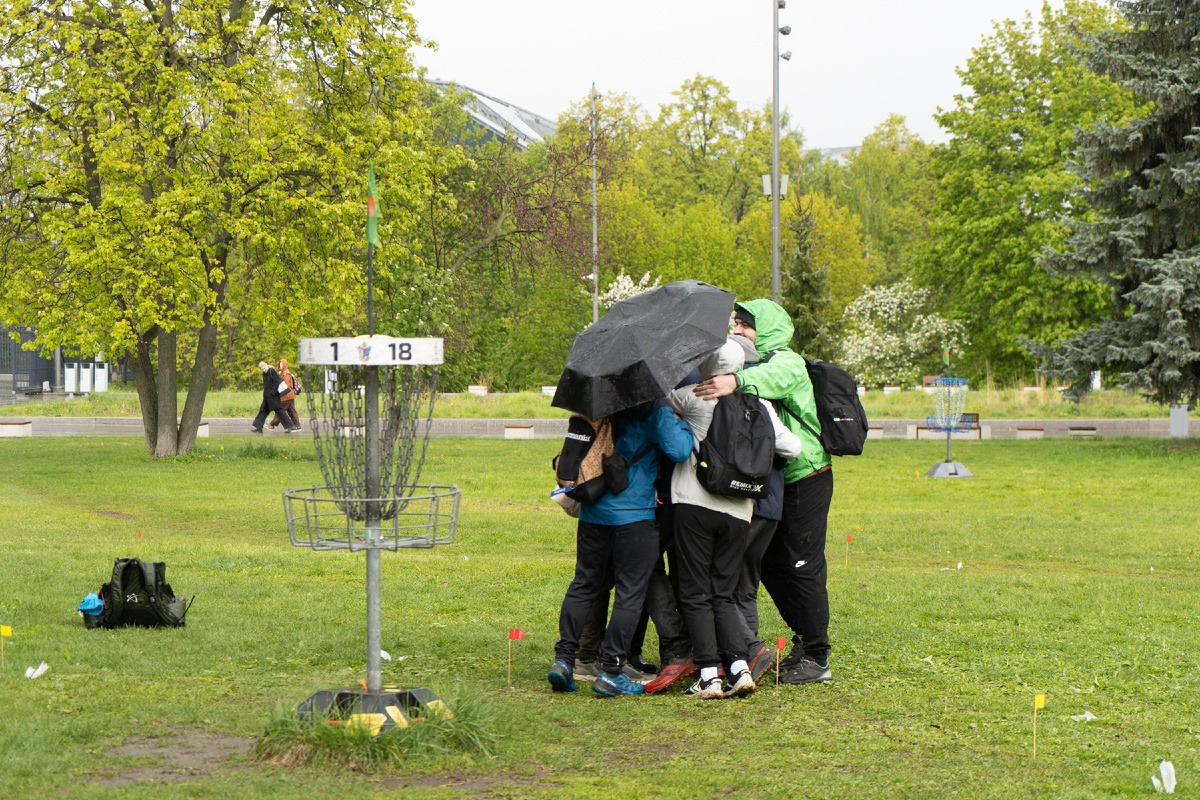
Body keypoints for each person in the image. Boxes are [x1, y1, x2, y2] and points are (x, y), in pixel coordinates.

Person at [694, 301, 835, 685]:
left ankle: (817, 657)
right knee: (770, 565)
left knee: (803, 567)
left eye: (746, 325)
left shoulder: (787, 362)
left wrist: (735, 381)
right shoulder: (750, 364)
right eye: (736, 323)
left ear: (767, 329)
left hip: (807, 476)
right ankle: (803, 641)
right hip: (777, 482)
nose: (738, 329)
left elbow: (772, 379)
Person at [669, 339, 802, 698]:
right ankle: (740, 669)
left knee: (695, 593)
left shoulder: (694, 396)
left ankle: (710, 675)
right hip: (740, 510)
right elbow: (793, 447)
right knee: (723, 594)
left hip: (694, 504)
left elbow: (660, 400)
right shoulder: (760, 405)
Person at [548, 399, 693, 697]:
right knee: (630, 593)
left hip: (593, 513)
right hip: (635, 516)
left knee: (583, 584)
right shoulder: (653, 407)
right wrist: (681, 423)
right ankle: (611, 672)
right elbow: (679, 449)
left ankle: (563, 661)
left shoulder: (599, 403)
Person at [251, 361, 297, 433]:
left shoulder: (271, 371)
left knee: (280, 411)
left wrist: (273, 392)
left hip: (273, 397)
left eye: (264, 368)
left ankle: (291, 426)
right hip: (267, 397)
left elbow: (276, 382)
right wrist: (265, 394)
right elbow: (266, 385)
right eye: (262, 369)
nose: (264, 370)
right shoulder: (264, 374)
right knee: (263, 411)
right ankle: (259, 427)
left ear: (267, 366)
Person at [268, 358, 302, 432]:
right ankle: (297, 426)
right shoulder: (283, 373)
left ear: (285, 365)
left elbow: (285, 386)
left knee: (280, 410)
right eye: (279, 364)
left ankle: (272, 424)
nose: (280, 366)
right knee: (291, 411)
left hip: (286, 395)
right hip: (290, 395)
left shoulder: (285, 374)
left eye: (282, 364)